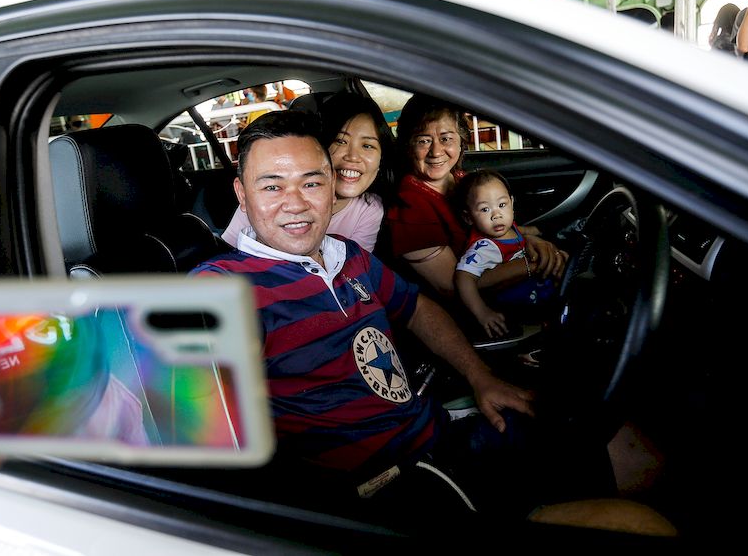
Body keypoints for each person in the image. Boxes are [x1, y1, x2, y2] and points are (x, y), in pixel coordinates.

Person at [192, 112, 605, 520]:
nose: (296, 203)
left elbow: (417, 308)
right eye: (272, 186)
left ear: (331, 184)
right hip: (393, 486)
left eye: (312, 182)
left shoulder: (348, 255)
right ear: (242, 195)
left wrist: (480, 377)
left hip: (437, 430)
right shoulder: (219, 291)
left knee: (590, 432)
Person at [384, 94, 567, 302]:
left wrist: (530, 242)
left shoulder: (463, 180)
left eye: (446, 138)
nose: (436, 151)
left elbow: (498, 230)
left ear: (461, 141)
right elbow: (452, 286)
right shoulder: (410, 208)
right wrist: (533, 264)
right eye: (424, 141)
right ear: (408, 146)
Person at [222, 93, 393, 252]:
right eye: (340, 141)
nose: (353, 157)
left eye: (368, 145)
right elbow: (226, 257)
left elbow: (356, 271)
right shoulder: (260, 206)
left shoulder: (369, 209)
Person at [453, 170, 557, 338]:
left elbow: (524, 231)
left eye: (502, 205)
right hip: (519, 309)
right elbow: (463, 278)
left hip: (538, 294)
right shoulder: (484, 247)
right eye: (485, 209)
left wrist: (548, 231)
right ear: (468, 218)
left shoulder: (509, 228)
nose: (497, 215)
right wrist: (482, 312)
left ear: (511, 202)